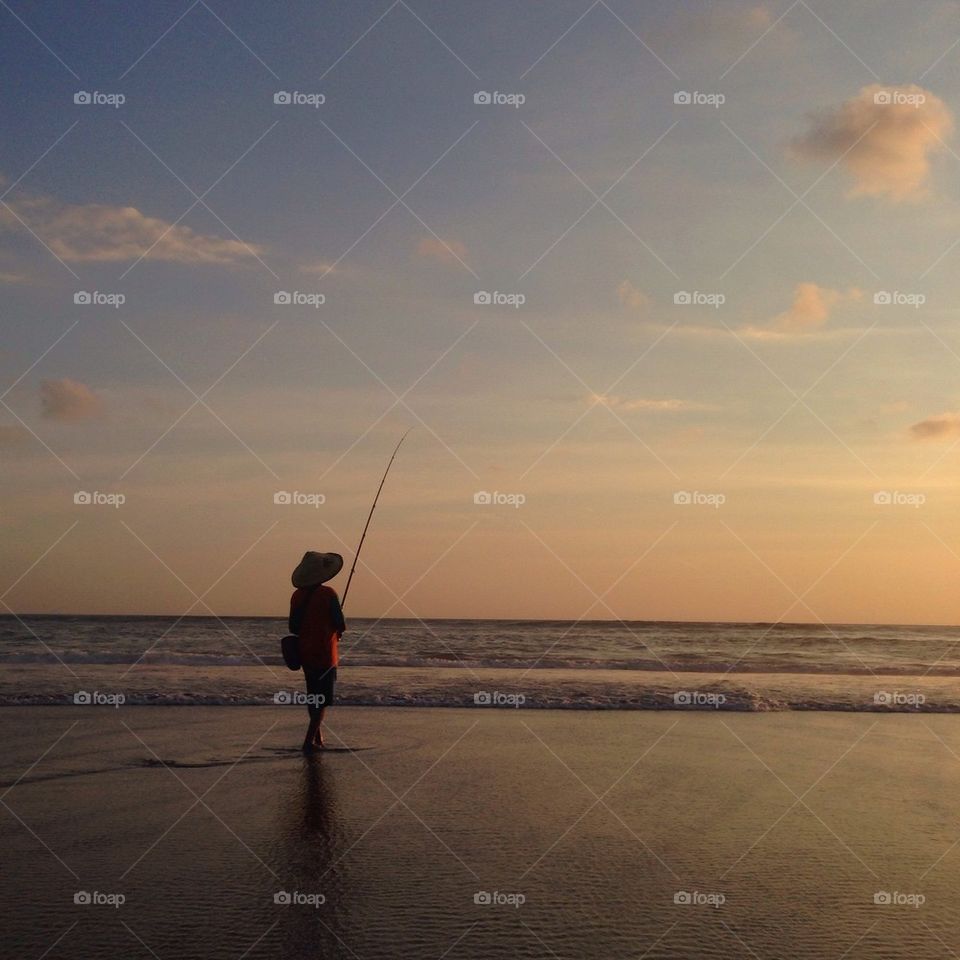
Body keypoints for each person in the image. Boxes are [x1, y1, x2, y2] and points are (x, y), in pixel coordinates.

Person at [289, 551, 346, 752]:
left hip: (305, 653)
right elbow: (340, 623)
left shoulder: (296, 596)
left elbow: (293, 627)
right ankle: (308, 742)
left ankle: (318, 738)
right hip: (325, 654)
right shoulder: (329, 594)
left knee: (313, 696)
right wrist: (337, 630)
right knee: (322, 700)